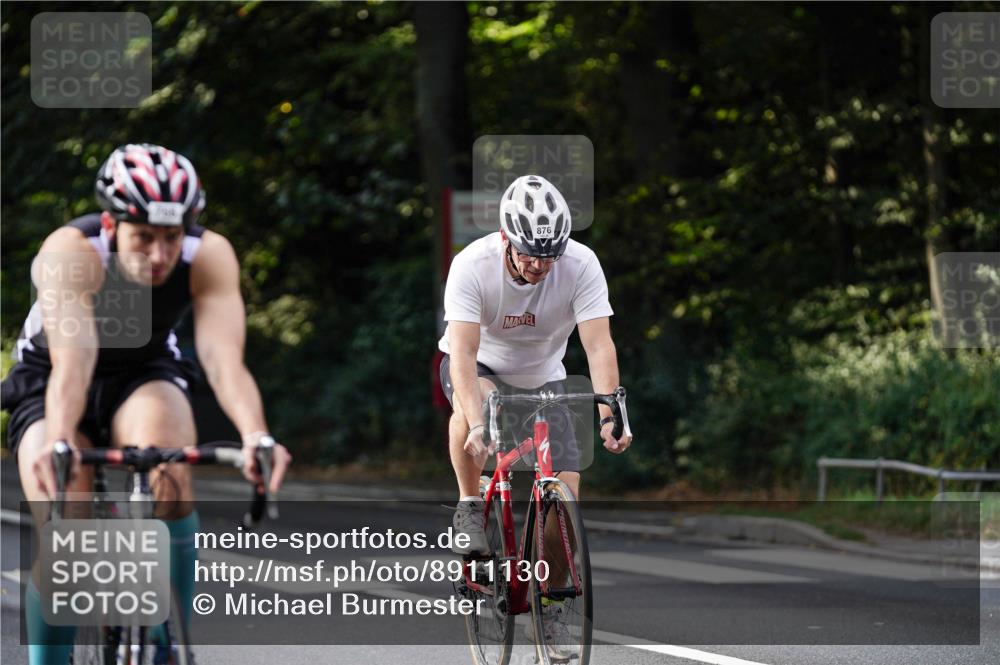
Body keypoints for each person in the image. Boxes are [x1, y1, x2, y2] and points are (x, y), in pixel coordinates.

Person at [1, 143, 292, 665]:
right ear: (112, 227)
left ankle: (165, 637)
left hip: (142, 372)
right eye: (143, 238)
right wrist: (62, 441)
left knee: (172, 472)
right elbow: (75, 361)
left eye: (171, 237)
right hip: (54, 374)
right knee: (67, 515)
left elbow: (223, 360)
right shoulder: (71, 252)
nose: (159, 256)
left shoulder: (209, 255)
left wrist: (256, 435)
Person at [437, 174, 633, 653]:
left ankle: (552, 610)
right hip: (480, 366)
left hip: (545, 377)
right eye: (529, 253)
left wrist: (611, 409)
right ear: (506, 237)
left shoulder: (582, 264)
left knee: (565, 505)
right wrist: (479, 420)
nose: (541, 264)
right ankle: (468, 505)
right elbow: (461, 354)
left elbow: (598, 343)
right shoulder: (472, 265)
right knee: (476, 405)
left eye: (550, 254)